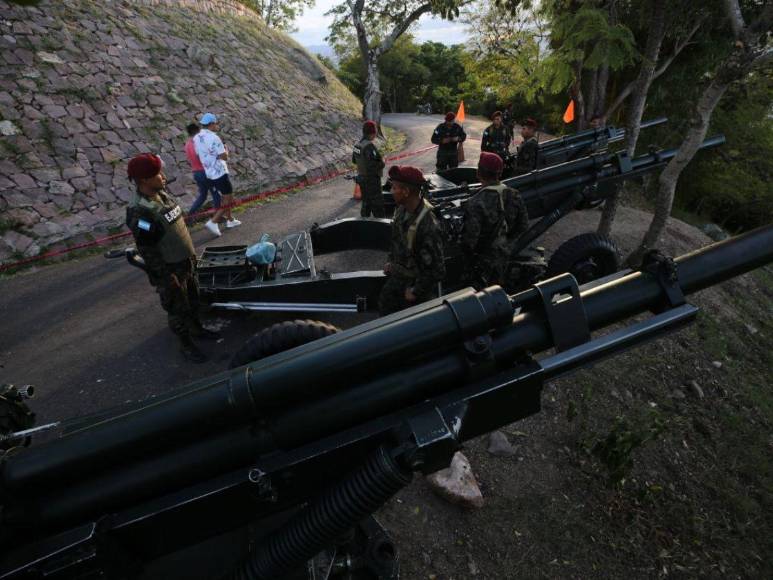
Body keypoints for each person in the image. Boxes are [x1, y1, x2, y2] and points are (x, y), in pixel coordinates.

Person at [125, 153, 220, 363]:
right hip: (170, 270)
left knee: (194, 300)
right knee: (178, 310)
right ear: (144, 180)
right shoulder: (140, 213)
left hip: (185, 261)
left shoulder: (161, 195)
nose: (163, 176)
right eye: (157, 173)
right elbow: (147, 249)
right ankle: (186, 346)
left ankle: (197, 330)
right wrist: (166, 277)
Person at [379, 165, 446, 316]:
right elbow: (397, 240)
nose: (391, 191)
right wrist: (391, 261)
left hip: (416, 285)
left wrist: (416, 291)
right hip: (400, 276)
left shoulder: (428, 225)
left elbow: (437, 270)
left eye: (394, 188)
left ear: (406, 192)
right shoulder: (402, 210)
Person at [460, 152, 529, 289]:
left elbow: (469, 242)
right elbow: (523, 225)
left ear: (478, 173)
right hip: (503, 256)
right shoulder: (513, 194)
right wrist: (506, 243)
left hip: (481, 264)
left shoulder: (475, 202)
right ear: (500, 173)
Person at [194, 113, 240, 236]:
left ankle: (230, 220)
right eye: (216, 123)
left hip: (208, 172)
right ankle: (214, 221)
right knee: (228, 198)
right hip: (220, 172)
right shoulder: (215, 138)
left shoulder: (196, 138)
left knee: (226, 197)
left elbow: (198, 154)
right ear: (211, 124)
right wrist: (226, 150)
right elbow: (224, 157)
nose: (217, 125)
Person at [185, 123, 221, 218]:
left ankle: (190, 215)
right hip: (205, 172)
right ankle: (218, 216)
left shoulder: (187, 144)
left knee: (203, 195)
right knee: (216, 193)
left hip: (196, 173)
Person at [352, 120, 386, 218]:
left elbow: (354, 161)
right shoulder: (369, 147)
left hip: (362, 179)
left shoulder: (357, 145)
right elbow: (377, 165)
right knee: (378, 206)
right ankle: (380, 227)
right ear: (372, 133)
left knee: (366, 203)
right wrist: (383, 161)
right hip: (372, 181)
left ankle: (364, 223)